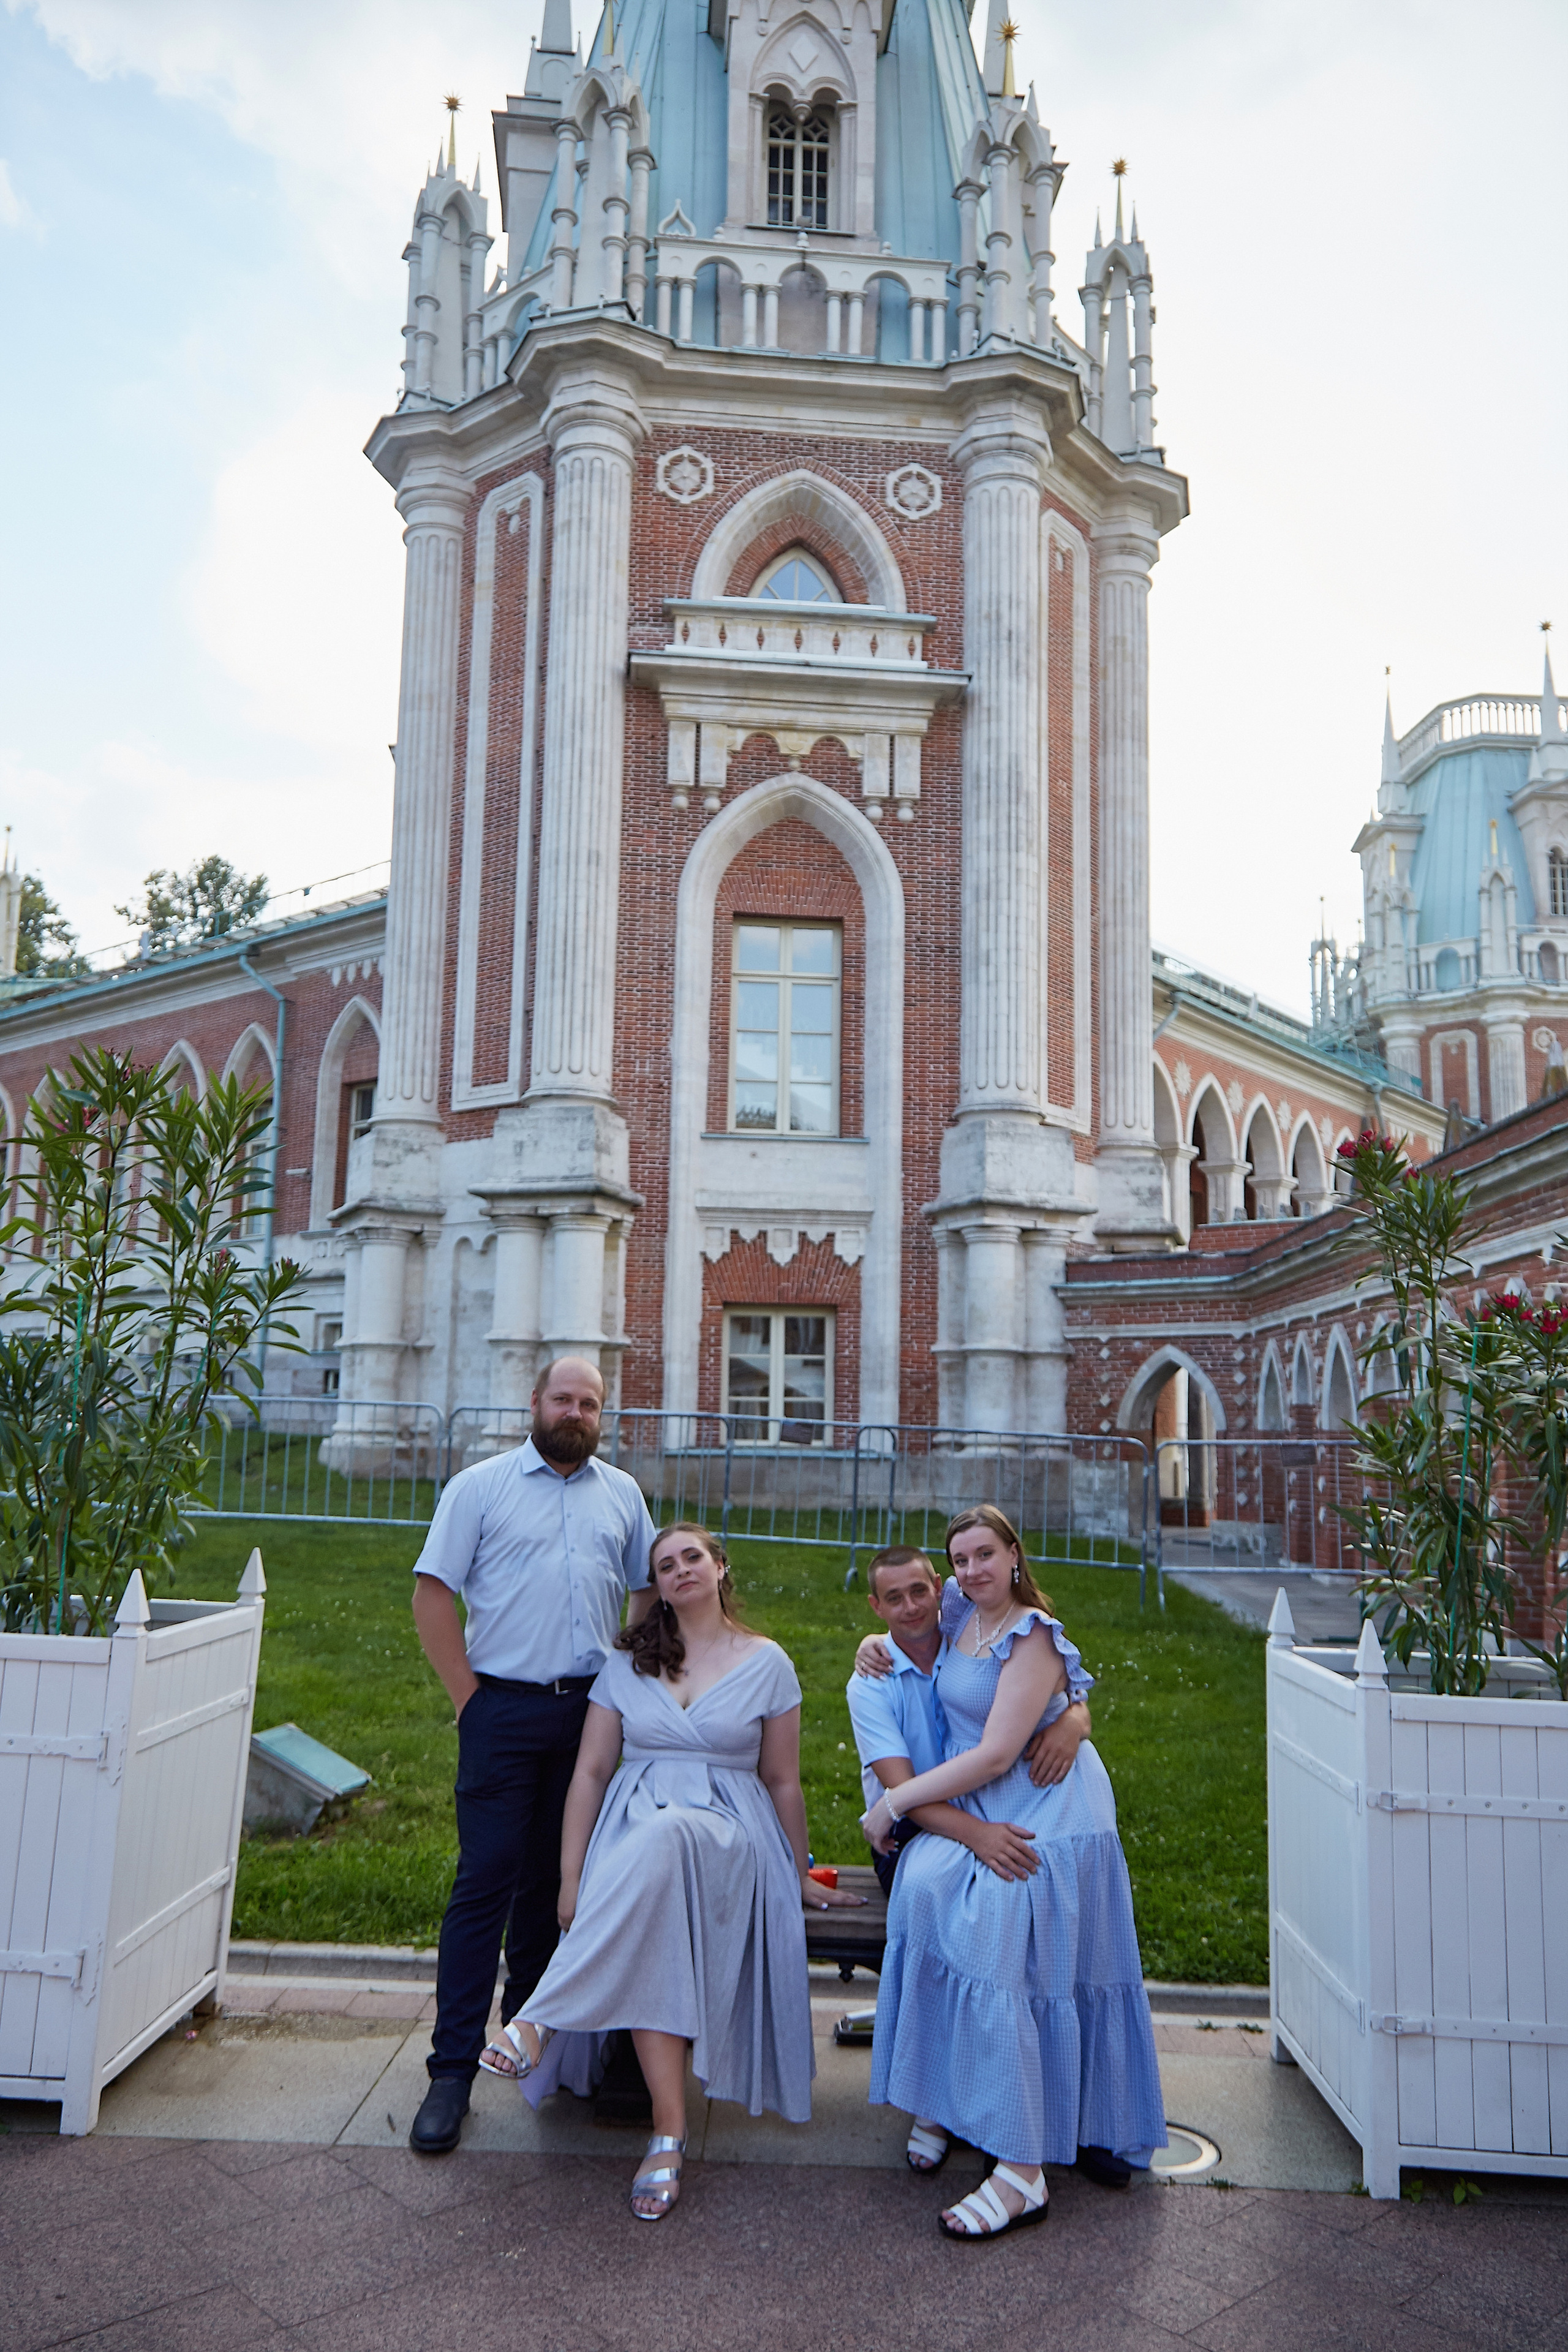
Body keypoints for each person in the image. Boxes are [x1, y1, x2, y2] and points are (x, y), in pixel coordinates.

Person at [478, 1521, 864, 2219]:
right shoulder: (627, 1663)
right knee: (656, 1893)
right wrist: (571, 1877)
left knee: (669, 1832)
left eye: (693, 1557)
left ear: (720, 1568)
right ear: (655, 1585)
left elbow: (782, 1781)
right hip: (634, 1839)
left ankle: (541, 2017)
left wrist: (796, 1868)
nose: (681, 1569)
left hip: (729, 1834)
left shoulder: (767, 1661)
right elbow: (591, 1773)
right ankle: (668, 2132)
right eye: (665, 1564)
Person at [860, 1506, 1166, 2239]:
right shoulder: (960, 1607)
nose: (971, 1570)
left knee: (1001, 1924)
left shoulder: (1031, 1633)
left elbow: (998, 1752)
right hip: (986, 1801)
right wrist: (875, 1641)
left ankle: (1027, 2166)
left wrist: (895, 1802)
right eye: (959, 1559)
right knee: (925, 1889)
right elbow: (908, 1622)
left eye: (985, 1555)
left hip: (1049, 1808)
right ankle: (943, 2096)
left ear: (1014, 1555)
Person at [406, 1357, 657, 2156]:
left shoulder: (623, 1495)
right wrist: (468, 1699)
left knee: (556, 1882)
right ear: (534, 1403)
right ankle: (451, 2073)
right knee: (485, 1880)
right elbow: (432, 1594)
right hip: (501, 1710)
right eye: (562, 1399)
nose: (575, 1412)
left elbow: (647, 1587)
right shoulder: (479, 1488)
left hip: (590, 1715)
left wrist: (628, 1667)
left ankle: (530, 2038)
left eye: (589, 1403)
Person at [846, 1543, 1092, 2174]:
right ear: (875, 1606)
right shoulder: (871, 1681)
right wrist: (977, 1837)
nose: (910, 1607)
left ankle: (1006, 2094)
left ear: (939, 1588)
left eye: (918, 1591)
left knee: (1010, 1908)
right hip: (915, 1826)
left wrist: (1076, 1718)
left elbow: (1047, 1670)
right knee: (940, 1898)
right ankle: (932, 2101)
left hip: (992, 1805)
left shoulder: (965, 1623)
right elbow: (904, 1798)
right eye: (892, 1600)